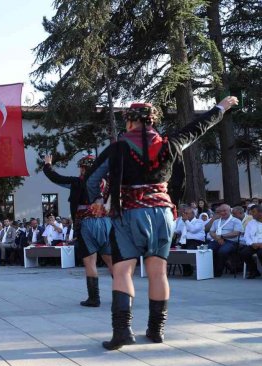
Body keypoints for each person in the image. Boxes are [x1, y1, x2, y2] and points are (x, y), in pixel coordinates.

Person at [85, 96, 238, 350]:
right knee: (158, 272)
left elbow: (92, 179)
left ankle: (122, 332)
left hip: (129, 213)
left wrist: (98, 199)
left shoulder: (117, 147)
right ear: (153, 119)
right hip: (163, 214)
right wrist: (221, 107)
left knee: (123, 271)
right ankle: (156, 331)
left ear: (131, 121)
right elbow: (199, 127)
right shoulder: (171, 143)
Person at [44, 153, 113, 306]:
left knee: (90, 261)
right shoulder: (108, 182)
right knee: (111, 260)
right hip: (106, 222)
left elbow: (57, 178)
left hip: (86, 222)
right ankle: (124, 295)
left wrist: (48, 165)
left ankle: (94, 298)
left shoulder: (77, 182)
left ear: (83, 168)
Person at [206, 204, 243, 277]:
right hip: (217, 240)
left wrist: (222, 236)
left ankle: (218, 271)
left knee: (222, 251)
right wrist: (218, 238)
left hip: (231, 241)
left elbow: (236, 233)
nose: (222, 213)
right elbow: (211, 232)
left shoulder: (236, 221)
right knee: (208, 250)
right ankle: (209, 270)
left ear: (230, 211)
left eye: (224, 211)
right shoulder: (216, 221)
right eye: (220, 211)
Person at [240, 205, 262, 279]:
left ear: (260, 213)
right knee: (244, 253)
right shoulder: (251, 223)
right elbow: (246, 236)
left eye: (253, 212)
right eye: (251, 212)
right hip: (253, 245)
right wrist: (251, 243)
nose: (251, 214)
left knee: (260, 253)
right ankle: (254, 271)